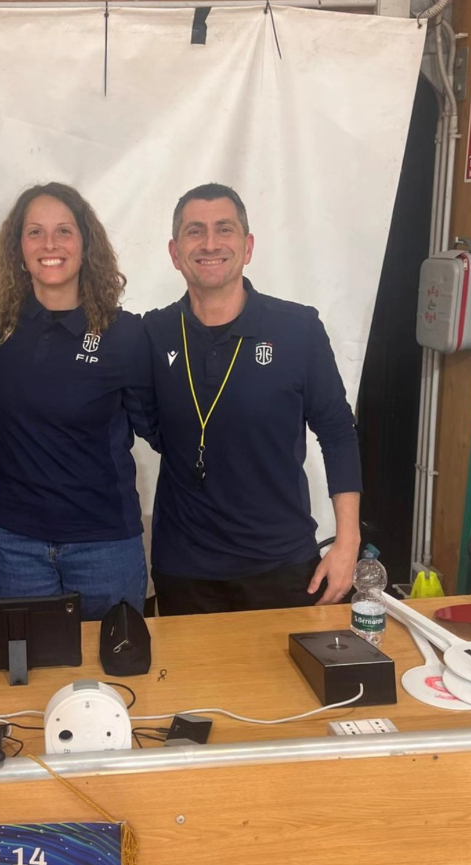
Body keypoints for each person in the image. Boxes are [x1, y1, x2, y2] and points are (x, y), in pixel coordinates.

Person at [143, 183, 362, 615]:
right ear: (174, 252)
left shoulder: (298, 329)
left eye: (224, 229)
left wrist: (347, 541)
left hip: (281, 564)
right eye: (194, 231)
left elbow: (338, 432)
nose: (210, 243)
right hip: (185, 568)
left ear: (247, 247)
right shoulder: (153, 333)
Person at [0, 182, 154, 621]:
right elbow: (6, 414)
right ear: (19, 249)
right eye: (35, 232)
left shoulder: (125, 334)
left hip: (104, 543)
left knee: (112, 663)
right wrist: (10, 447)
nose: (50, 244)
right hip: (14, 542)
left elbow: (156, 427)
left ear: (85, 244)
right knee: (23, 663)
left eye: (64, 231)